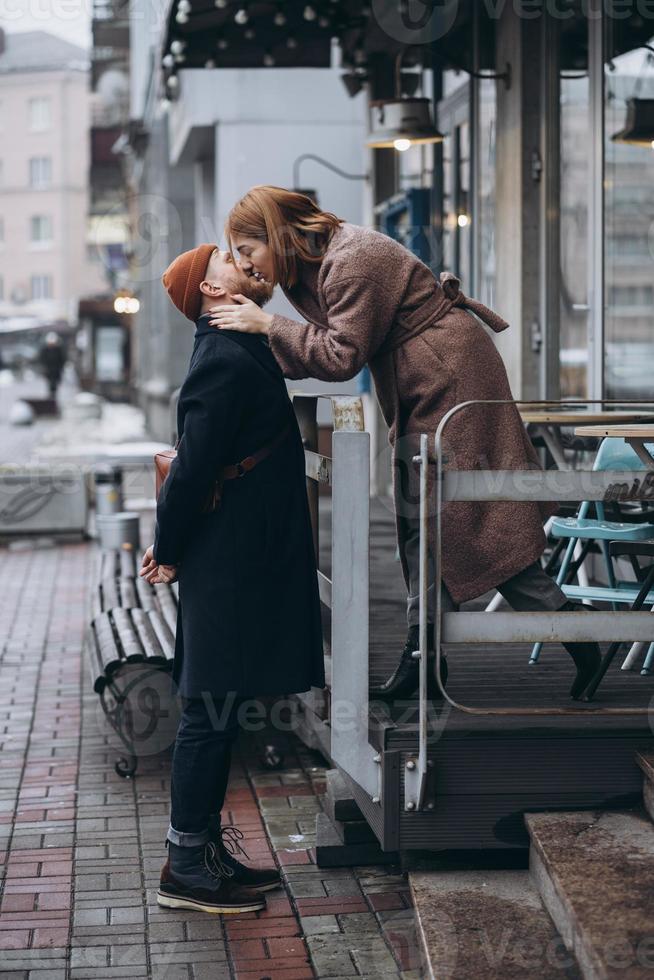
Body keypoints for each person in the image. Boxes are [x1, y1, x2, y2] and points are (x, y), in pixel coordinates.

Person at [206, 185, 600, 702]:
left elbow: (341, 355)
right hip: (424, 379)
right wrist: (261, 317)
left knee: (459, 517)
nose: (243, 262)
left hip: (450, 376)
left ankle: (568, 631)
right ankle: (428, 659)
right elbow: (331, 346)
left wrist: (267, 325)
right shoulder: (311, 268)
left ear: (276, 237)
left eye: (246, 249)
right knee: (430, 519)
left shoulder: (352, 261)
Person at [140, 243, 325, 914]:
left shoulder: (239, 345)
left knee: (219, 706)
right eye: (225, 257)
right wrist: (169, 545)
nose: (242, 257)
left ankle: (202, 852)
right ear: (211, 291)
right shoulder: (219, 360)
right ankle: (185, 864)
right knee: (207, 710)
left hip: (238, 556)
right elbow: (193, 467)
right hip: (226, 560)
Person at [38, 331, 66, 399]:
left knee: (55, 385)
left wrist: (61, 368)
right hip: (49, 371)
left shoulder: (58, 350)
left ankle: (53, 397)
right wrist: (44, 368)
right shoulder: (45, 350)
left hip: (56, 371)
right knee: (50, 385)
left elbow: (62, 360)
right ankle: (51, 397)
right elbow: (42, 360)